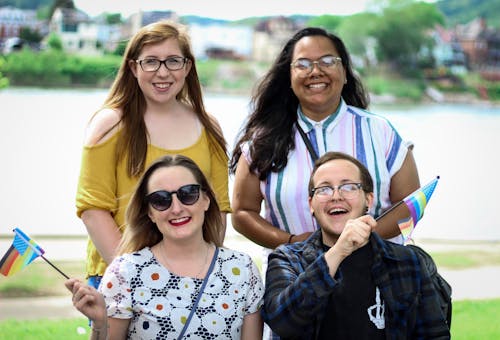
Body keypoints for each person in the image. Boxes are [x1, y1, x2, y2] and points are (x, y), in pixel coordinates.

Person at [229, 27, 420, 251]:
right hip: (296, 277)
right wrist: (293, 243)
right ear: (289, 78)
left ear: (345, 72)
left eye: (328, 61)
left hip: (377, 277)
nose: (316, 71)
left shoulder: (380, 131)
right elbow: (242, 213)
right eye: (303, 64)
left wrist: (364, 236)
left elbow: (412, 205)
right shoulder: (262, 142)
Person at [76, 20, 230, 289]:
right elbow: (93, 209)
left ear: (187, 67)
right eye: (151, 62)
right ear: (134, 67)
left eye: (173, 61)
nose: (162, 72)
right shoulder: (110, 124)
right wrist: (137, 277)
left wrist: (202, 270)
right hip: (120, 277)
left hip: (192, 279)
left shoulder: (208, 126)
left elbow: (218, 210)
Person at [67, 154, 264, 339]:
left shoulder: (242, 270)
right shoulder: (125, 272)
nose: (176, 208)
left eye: (188, 194)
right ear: (150, 213)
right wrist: (100, 324)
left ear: (206, 200)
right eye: (160, 200)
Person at [262, 151, 450, 339]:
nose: (336, 196)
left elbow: (435, 334)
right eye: (324, 189)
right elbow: (281, 322)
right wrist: (338, 252)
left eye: (349, 187)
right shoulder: (287, 259)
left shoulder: (407, 261)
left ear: (368, 200)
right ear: (311, 204)